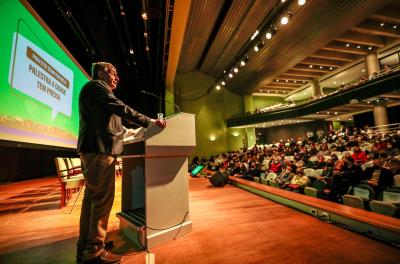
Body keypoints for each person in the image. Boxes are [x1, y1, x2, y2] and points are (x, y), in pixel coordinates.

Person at [76, 62, 166, 264]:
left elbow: (119, 130)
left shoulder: (99, 97)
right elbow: (122, 109)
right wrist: (149, 122)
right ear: (100, 73)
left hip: (95, 151)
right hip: (99, 152)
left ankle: (87, 247)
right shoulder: (96, 87)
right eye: (113, 73)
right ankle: (94, 254)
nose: (117, 77)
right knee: (100, 203)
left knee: (92, 202)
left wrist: (140, 132)